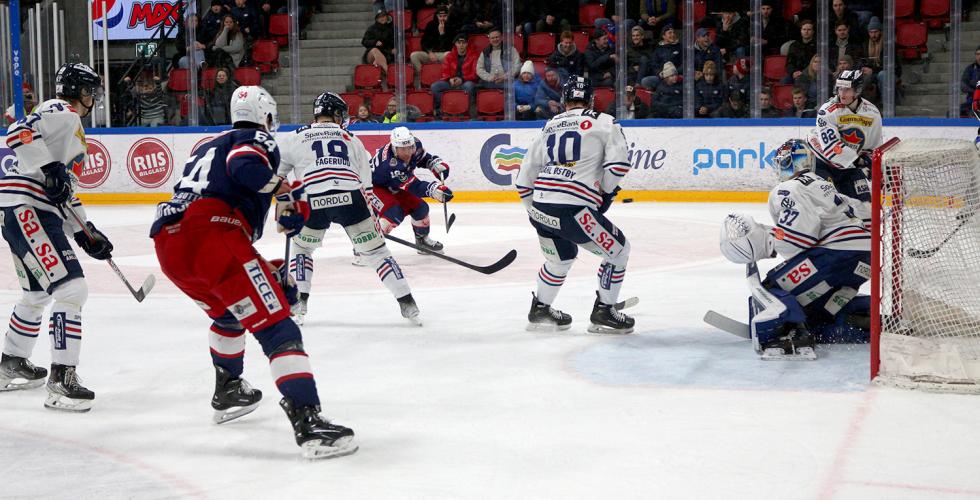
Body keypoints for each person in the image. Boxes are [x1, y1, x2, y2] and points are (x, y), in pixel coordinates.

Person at [150, 86, 357, 459]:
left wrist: (271, 269)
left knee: (231, 313)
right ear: (266, 115)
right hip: (212, 235)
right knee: (278, 325)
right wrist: (283, 191)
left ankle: (229, 389)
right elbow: (243, 167)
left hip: (170, 244)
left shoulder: (207, 144)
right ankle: (308, 421)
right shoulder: (257, 137)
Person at [0, 63, 111, 411]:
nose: (94, 98)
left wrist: (85, 231)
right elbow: (18, 131)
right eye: (91, 90)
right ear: (81, 91)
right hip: (27, 207)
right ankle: (62, 379)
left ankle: (10, 363)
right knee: (71, 288)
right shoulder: (61, 110)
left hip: (26, 208)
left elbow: (64, 191)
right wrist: (49, 169)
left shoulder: (71, 128)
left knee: (35, 293)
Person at [277, 92, 421, 326]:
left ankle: (300, 303)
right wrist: (372, 220)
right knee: (377, 253)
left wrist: (286, 210)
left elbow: (278, 177)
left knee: (302, 250)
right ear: (335, 114)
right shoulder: (351, 138)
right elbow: (367, 186)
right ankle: (408, 303)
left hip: (313, 200)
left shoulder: (294, 137)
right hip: (351, 198)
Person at [719, 138, 871, 359]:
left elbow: (800, 239)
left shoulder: (787, 189)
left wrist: (768, 243)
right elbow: (865, 213)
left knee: (774, 284)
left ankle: (791, 332)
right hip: (864, 258)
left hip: (838, 254)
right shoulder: (822, 183)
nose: (779, 169)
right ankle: (863, 320)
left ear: (792, 162)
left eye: (782, 163)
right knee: (816, 311)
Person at [515, 76, 635, 334]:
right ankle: (604, 311)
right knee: (618, 252)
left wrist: (534, 211)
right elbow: (617, 166)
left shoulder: (549, 125)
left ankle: (541, 309)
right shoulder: (605, 122)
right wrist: (604, 191)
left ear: (564, 101)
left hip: (540, 208)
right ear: (590, 100)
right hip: (573, 210)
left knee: (561, 258)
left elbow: (523, 179)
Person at [812, 69, 882, 228]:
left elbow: (874, 145)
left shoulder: (872, 112)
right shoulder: (827, 110)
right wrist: (859, 162)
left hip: (850, 167)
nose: (842, 93)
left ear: (857, 90)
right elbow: (832, 148)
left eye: (847, 89)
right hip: (824, 165)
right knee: (830, 210)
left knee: (866, 209)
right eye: (839, 88)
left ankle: (866, 247)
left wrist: (874, 165)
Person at [370, 126, 453, 254]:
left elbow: (423, 158)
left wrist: (434, 164)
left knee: (420, 208)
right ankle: (367, 248)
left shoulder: (415, 145)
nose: (408, 152)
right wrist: (434, 189)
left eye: (410, 147)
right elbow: (414, 187)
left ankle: (422, 241)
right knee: (393, 213)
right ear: (394, 148)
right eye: (403, 149)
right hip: (373, 187)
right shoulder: (391, 164)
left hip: (393, 185)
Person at [431, 33, 479, 114]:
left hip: (465, 82)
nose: (461, 45)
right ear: (455, 44)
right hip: (451, 82)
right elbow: (445, 71)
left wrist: (462, 79)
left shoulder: (474, 55)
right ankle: (443, 109)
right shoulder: (450, 56)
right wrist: (450, 79)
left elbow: (475, 74)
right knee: (435, 86)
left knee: (469, 86)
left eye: (463, 42)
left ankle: (463, 110)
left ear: (467, 44)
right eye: (459, 43)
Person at [410, 5, 455, 76]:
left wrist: (442, 33)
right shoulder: (430, 25)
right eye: (440, 16)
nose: (442, 18)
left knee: (449, 55)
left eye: (444, 16)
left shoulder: (451, 26)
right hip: (430, 53)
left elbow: (450, 46)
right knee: (414, 55)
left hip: (442, 54)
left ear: (447, 16)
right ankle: (423, 76)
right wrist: (429, 52)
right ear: (437, 16)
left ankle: (444, 76)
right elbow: (424, 42)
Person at [362, 5, 395, 74]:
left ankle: (378, 69)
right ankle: (388, 72)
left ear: (387, 17)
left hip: (386, 54)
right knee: (375, 50)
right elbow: (364, 41)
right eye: (379, 17)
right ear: (376, 19)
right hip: (371, 55)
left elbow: (394, 43)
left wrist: (393, 49)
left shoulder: (391, 29)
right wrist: (374, 42)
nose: (382, 18)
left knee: (377, 62)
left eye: (383, 16)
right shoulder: (371, 28)